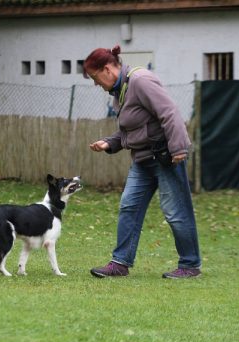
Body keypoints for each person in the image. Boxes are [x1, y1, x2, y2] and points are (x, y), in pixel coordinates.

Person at [84, 45, 201, 279]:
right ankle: (120, 263)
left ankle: (190, 265)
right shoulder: (121, 91)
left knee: (176, 212)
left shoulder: (140, 80)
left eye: (96, 78)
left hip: (165, 157)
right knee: (129, 207)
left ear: (107, 69)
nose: (96, 84)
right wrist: (110, 143)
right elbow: (134, 129)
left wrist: (179, 147)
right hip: (143, 159)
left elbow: (169, 113)